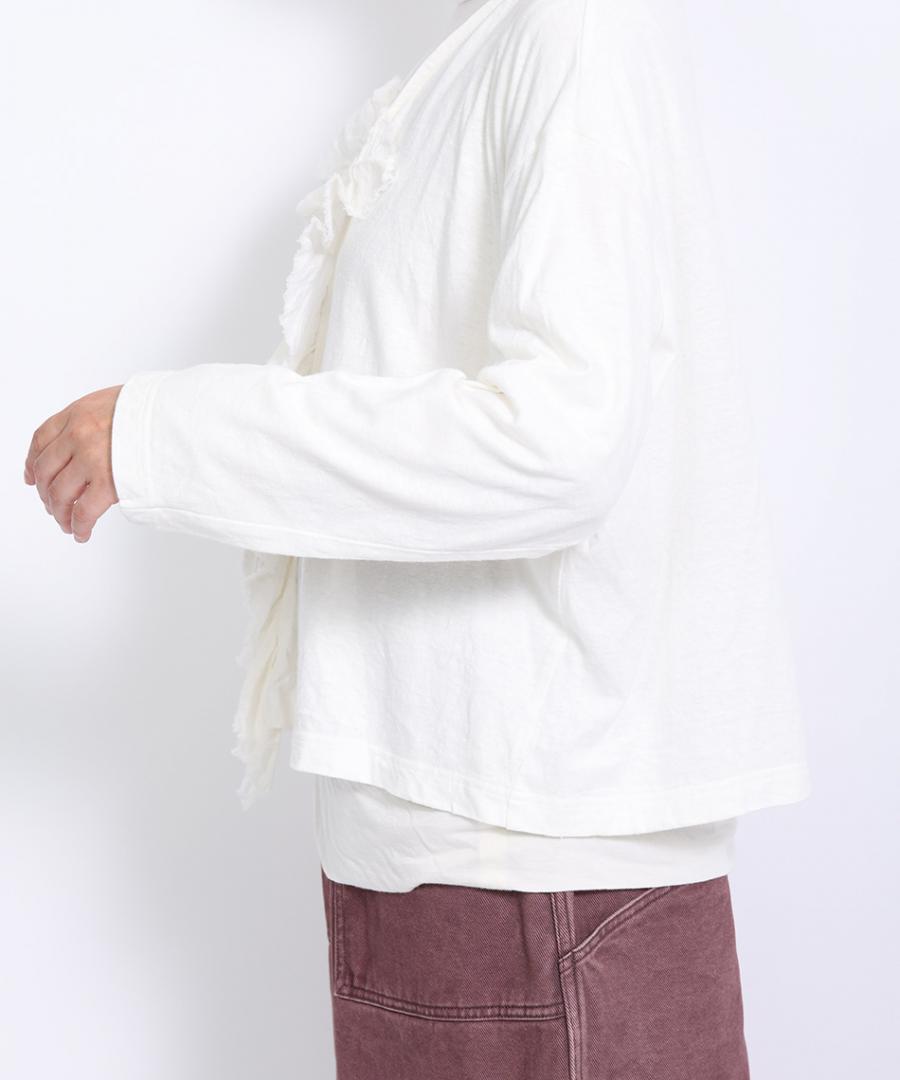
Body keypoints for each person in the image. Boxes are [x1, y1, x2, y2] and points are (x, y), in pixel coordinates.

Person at [24, 0, 811, 1076]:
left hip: (536, 883)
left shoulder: (573, 32)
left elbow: (557, 445)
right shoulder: (494, 47)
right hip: (458, 870)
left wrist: (170, 437)